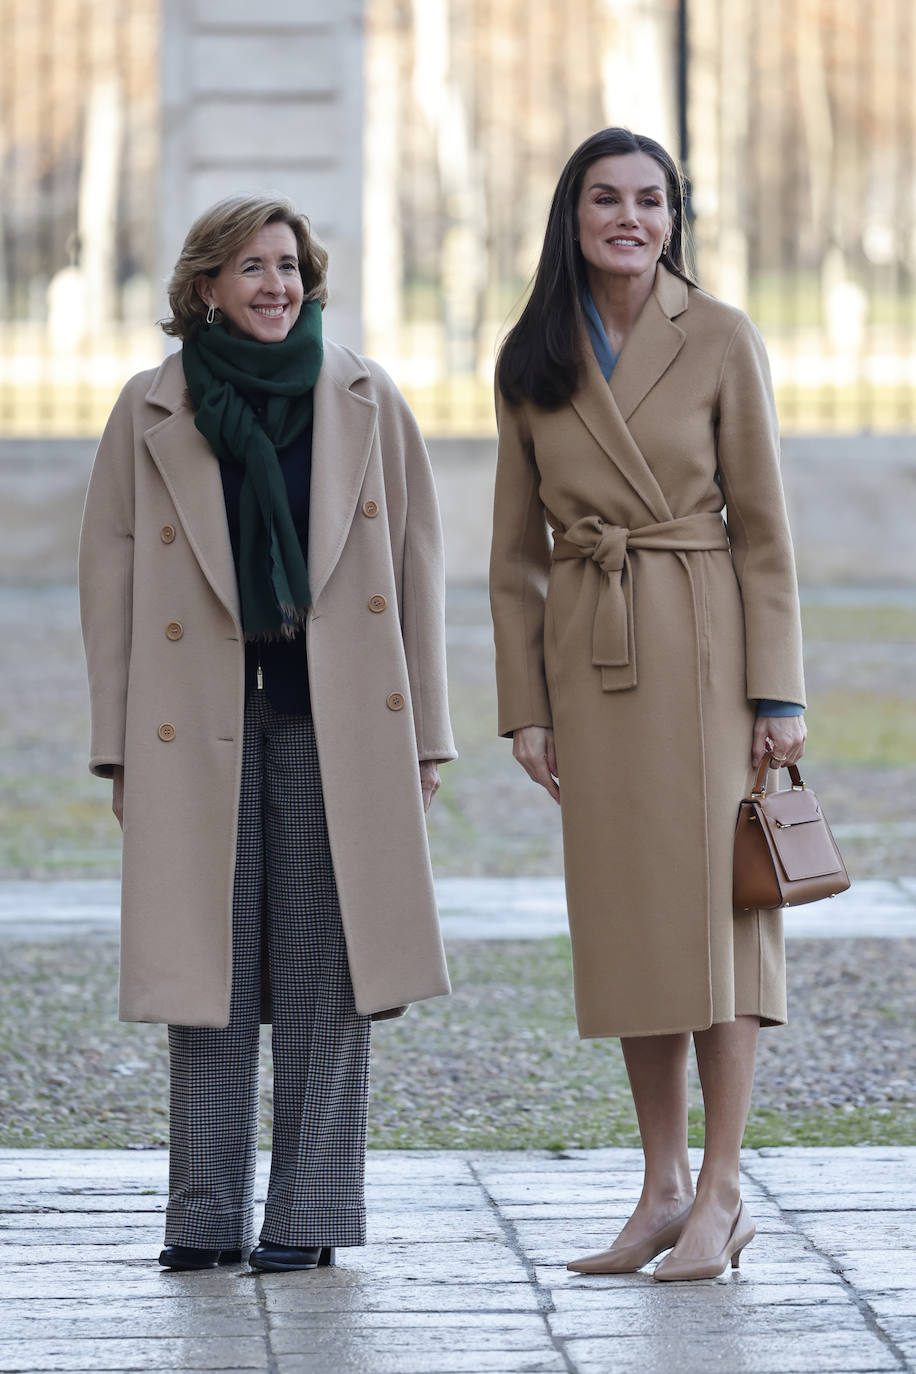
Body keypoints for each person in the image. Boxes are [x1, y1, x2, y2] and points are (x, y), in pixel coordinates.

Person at [79, 193, 455, 1272]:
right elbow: (108, 586)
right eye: (251, 266)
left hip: (339, 727)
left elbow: (415, 576)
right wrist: (115, 749)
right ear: (205, 286)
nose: (276, 284)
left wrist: (426, 736)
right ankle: (202, 1216)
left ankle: (309, 1217)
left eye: (289, 265)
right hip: (190, 728)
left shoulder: (365, 400)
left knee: (329, 976)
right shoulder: (152, 409)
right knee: (205, 979)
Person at [490, 128, 806, 1281]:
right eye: (606, 199)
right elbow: (511, 554)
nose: (630, 218)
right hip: (593, 657)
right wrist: (526, 704)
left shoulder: (720, 336)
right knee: (630, 921)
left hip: (709, 647)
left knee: (720, 917)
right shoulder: (531, 353)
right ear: (569, 217)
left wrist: (778, 694)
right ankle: (660, 1184)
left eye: (652, 200)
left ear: (675, 218)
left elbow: (765, 531)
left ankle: (723, 1189)